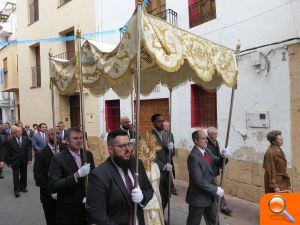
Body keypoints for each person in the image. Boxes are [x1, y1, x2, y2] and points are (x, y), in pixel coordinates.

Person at [86, 130, 153, 225]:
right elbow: (97, 214)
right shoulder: (99, 175)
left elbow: (149, 189)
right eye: (122, 146)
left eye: (129, 144)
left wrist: (142, 197)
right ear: (110, 149)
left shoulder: (137, 164)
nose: (128, 150)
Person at [48, 127, 95, 225]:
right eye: (75, 138)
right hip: (69, 209)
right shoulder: (58, 159)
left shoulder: (88, 155)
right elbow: (54, 184)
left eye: (81, 138)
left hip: (87, 205)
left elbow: (93, 177)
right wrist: (76, 175)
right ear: (67, 141)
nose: (79, 141)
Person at [186, 129, 230, 225]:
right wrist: (215, 190)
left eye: (206, 138)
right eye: (203, 139)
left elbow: (218, 162)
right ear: (196, 141)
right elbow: (199, 181)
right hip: (198, 197)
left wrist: (224, 156)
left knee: (214, 221)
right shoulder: (193, 157)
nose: (206, 140)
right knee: (193, 222)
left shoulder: (207, 151)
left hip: (209, 196)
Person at [33, 128, 61, 225]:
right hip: (49, 196)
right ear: (47, 137)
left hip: (66, 194)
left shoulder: (65, 150)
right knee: (52, 220)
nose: (57, 136)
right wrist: (51, 191)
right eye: (53, 134)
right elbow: (38, 176)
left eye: (58, 133)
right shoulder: (41, 154)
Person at [139, 131, 165, 225]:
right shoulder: (141, 167)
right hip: (148, 199)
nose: (152, 154)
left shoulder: (155, 166)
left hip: (156, 196)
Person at [206, 127, 233, 216]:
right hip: (209, 170)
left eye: (216, 134)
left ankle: (210, 202)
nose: (216, 136)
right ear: (209, 134)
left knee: (211, 188)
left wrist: (222, 159)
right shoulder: (207, 144)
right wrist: (221, 157)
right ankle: (223, 206)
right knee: (217, 189)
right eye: (215, 134)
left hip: (214, 169)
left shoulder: (215, 142)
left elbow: (217, 156)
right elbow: (211, 158)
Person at [151, 114, 172, 212]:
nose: (162, 123)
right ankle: (160, 216)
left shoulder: (166, 134)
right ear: (154, 122)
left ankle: (162, 212)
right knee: (159, 195)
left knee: (168, 194)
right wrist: (163, 166)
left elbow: (172, 153)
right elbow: (150, 156)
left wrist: (171, 148)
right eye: (159, 121)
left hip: (168, 170)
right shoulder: (150, 136)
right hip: (158, 171)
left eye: (163, 121)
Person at [6, 127, 32, 197]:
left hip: (24, 160)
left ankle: (23, 187)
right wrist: (8, 162)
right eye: (17, 132)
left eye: (20, 131)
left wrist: (29, 158)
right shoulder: (10, 140)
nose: (19, 133)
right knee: (16, 176)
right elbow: (7, 152)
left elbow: (29, 149)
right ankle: (16, 190)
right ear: (14, 132)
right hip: (15, 161)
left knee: (24, 175)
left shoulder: (26, 139)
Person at [162, 120, 177, 195]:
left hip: (169, 156)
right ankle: (171, 187)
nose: (167, 127)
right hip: (164, 156)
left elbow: (173, 143)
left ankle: (171, 186)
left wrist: (173, 152)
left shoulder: (171, 134)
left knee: (170, 171)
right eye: (165, 125)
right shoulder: (162, 134)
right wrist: (167, 146)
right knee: (168, 171)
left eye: (168, 125)